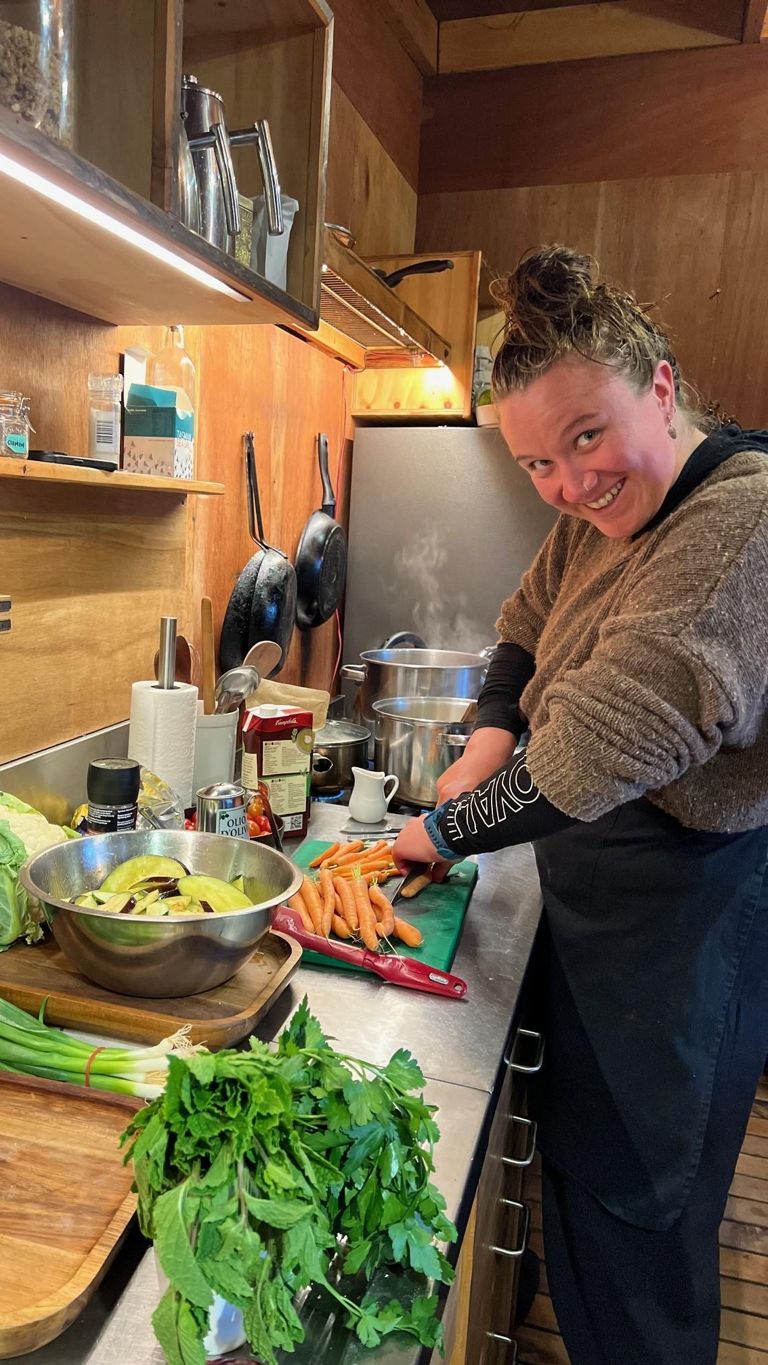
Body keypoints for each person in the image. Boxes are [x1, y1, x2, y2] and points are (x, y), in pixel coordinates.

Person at [392, 245, 768, 1365]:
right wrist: (489, 734)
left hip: (685, 919)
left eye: (585, 438)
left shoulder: (734, 529)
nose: (567, 484)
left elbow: (603, 750)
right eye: (535, 464)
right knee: (589, 1209)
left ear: (658, 385)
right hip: (602, 894)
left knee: (640, 1227)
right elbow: (529, 607)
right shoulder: (605, 508)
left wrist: (437, 829)